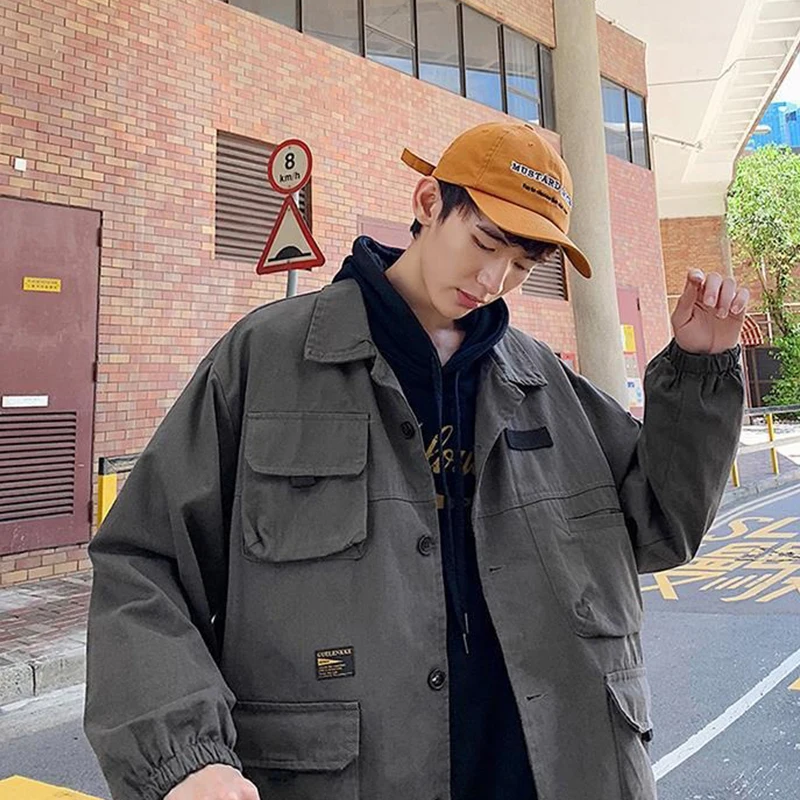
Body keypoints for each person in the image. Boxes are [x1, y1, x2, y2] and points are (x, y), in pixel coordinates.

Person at [84, 121, 748, 800]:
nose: (494, 280)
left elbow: (657, 525)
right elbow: (144, 562)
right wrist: (187, 758)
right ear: (429, 202)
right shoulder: (267, 359)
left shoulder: (543, 384)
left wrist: (699, 370)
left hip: (553, 774)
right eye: (484, 242)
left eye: (522, 264)